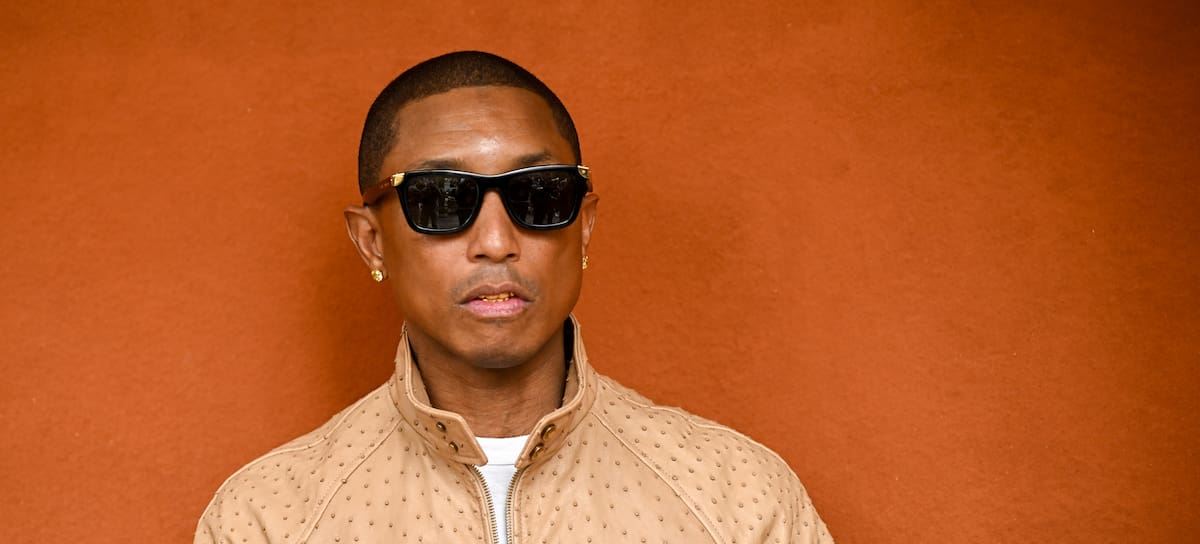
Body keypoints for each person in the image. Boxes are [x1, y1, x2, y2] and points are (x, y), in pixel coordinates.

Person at [194, 51, 833, 544]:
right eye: (442, 199)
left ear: (584, 227)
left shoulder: (737, 497)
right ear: (372, 242)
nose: (496, 242)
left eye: (540, 194)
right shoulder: (268, 517)